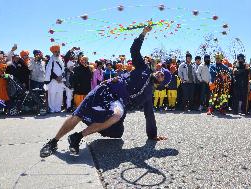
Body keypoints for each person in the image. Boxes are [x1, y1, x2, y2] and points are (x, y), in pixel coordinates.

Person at [40, 26, 169, 158]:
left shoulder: (148, 95)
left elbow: (149, 115)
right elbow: (134, 50)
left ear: (162, 83)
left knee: (117, 129)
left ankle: (76, 137)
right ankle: (53, 141)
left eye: (163, 75)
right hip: (108, 88)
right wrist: (143, 34)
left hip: (119, 102)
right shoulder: (143, 68)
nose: (160, 73)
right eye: (160, 71)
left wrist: (152, 136)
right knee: (79, 113)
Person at [45, 45, 65, 113]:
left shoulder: (61, 60)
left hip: (60, 80)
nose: (57, 53)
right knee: (52, 95)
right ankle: (52, 109)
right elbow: (49, 71)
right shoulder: (50, 60)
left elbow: (63, 70)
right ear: (53, 52)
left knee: (59, 95)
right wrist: (56, 78)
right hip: (53, 81)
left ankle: (58, 109)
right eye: (56, 52)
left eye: (58, 52)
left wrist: (61, 77)